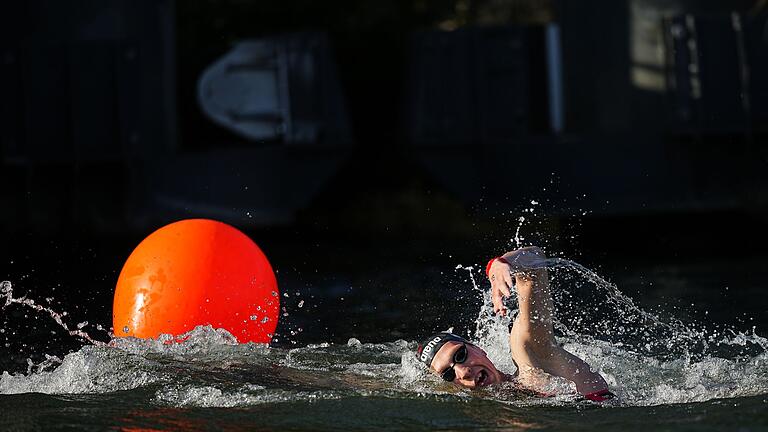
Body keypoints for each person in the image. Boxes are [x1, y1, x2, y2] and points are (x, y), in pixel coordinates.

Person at [416, 246, 614, 402]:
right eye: (449, 374)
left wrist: (500, 263)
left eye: (460, 355)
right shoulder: (493, 413)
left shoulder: (531, 359)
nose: (464, 371)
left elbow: (535, 260)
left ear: (478, 348)